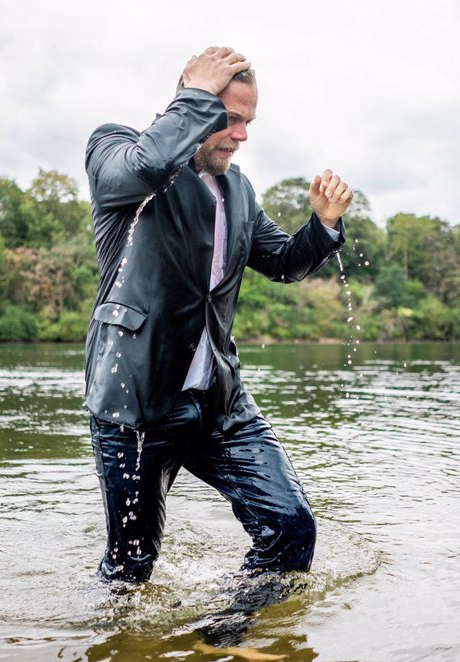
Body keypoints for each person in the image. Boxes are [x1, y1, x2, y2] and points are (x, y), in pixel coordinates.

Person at [84, 46, 353, 583]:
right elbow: (146, 167)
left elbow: (281, 262)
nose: (242, 135)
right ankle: (126, 654)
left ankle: (226, 640)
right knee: (131, 567)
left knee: (292, 526)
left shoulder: (239, 189)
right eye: (229, 119)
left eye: (249, 122)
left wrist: (322, 225)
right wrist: (196, 96)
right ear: (191, 100)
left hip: (219, 405)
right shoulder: (115, 149)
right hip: (136, 405)